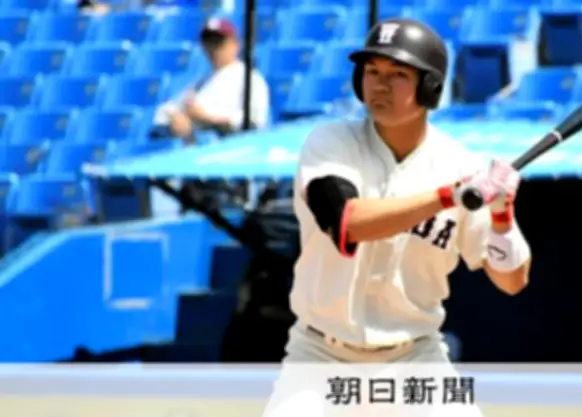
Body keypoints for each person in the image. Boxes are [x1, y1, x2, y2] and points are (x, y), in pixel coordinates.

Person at [262, 18, 531, 417]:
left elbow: (512, 280)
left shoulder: (459, 165)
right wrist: (446, 196)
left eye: (398, 74)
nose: (380, 85)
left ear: (430, 87)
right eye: (372, 71)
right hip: (321, 356)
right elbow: (347, 221)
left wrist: (502, 217)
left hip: (414, 358)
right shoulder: (331, 143)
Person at [151, 17, 269, 144]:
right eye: (208, 42)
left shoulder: (250, 78)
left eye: (218, 42)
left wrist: (207, 119)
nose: (213, 48)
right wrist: (175, 117)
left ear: (235, 44)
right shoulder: (200, 82)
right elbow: (165, 111)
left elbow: (254, 124)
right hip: (197, 147)